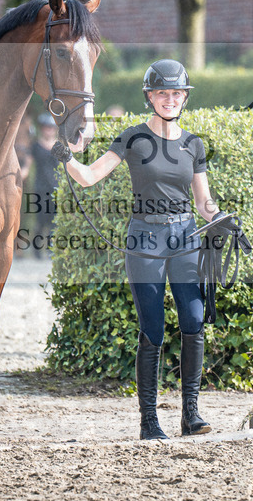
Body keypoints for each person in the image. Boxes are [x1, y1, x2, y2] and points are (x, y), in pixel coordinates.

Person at [60, 59, 221, 440]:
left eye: (177, 93)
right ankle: (150, 422)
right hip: (145, 239)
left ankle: (191, 415)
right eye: (163, 93)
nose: (170, 99)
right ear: (150, 96)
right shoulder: (132, 138)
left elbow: (203, 202)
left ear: (184, 97)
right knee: (153, 328)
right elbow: (89, 177)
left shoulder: (193, 144)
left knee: (194, 322)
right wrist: (66, 157)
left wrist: (220, 216)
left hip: (185, 238)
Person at [28, 112, 60, 253]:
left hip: (56, 187)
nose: (49, 130)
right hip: (40, 188)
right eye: (46, 127)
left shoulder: (59, 146)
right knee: (41, 221)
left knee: (54, 220)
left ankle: (50, 249)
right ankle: (36, 250)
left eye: (51, 127)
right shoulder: (35, 146)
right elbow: (27, 165)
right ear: (42, 128)